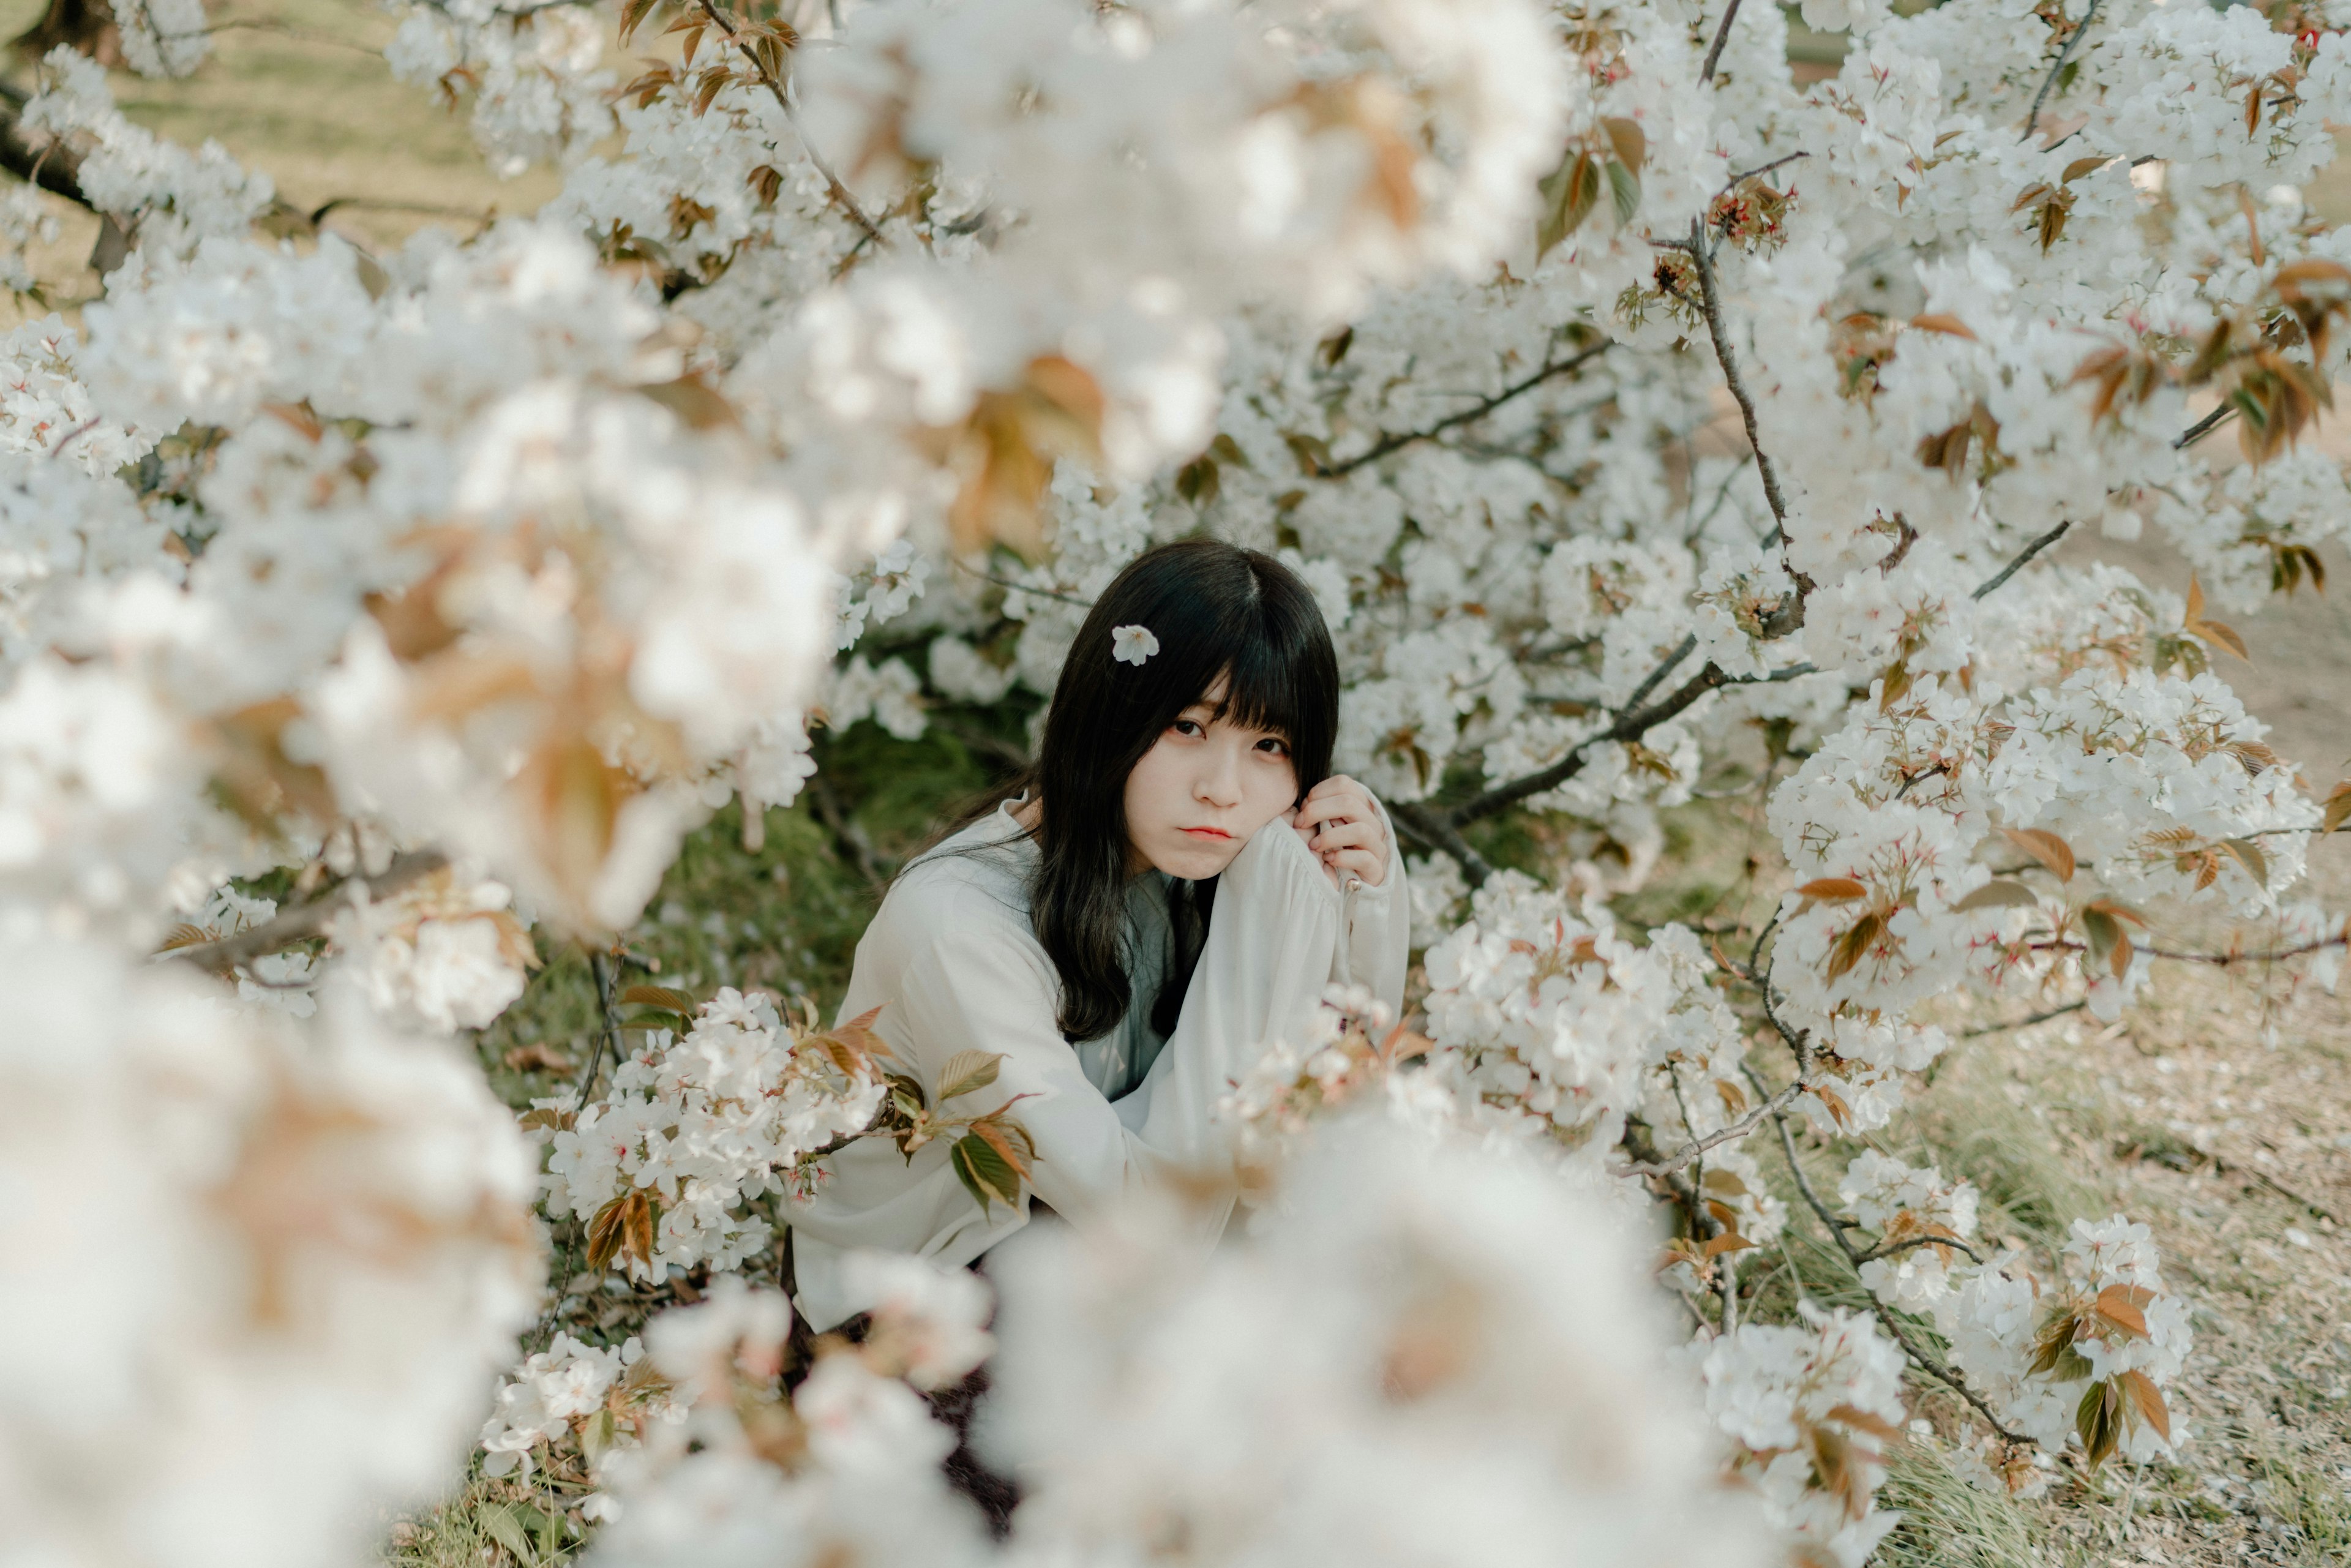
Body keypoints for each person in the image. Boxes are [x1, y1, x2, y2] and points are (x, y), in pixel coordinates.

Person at [786, 538, 1409, 1335]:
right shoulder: (959, 925)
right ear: (1113, 713)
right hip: (912, 1299)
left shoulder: (1189, 867)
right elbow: (1147, 1216)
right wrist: (1266, 924)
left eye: (1269, 746)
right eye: (1188, 726)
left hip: (1069, 1245)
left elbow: (1330, 1098)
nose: (1222, 788)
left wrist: (1369, 899)